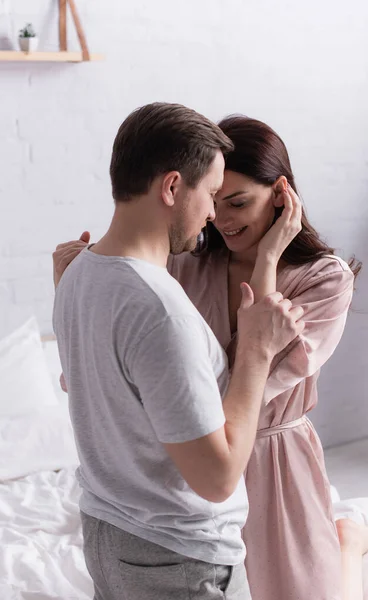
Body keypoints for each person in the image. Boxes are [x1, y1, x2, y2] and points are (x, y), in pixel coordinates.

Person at [53, 115, 368, 600]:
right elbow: (123, 373)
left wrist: (266, 264)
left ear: (281, 193)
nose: (218, 219)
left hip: (271, 460)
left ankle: (346, 543)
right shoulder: (182, 260)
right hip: (202, 456)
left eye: (236, 201)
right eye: (213, 201)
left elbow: (249, 387)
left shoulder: (323, 281)